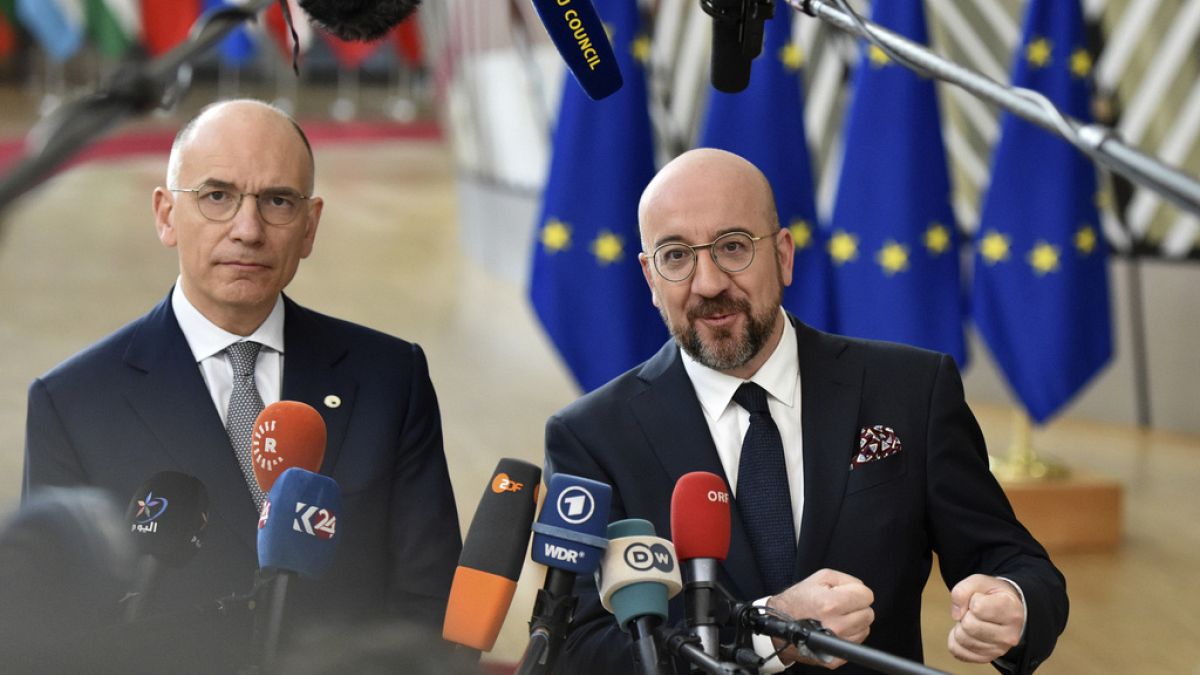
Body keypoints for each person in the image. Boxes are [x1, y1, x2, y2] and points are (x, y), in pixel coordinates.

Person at [544, 148, 1067, 674]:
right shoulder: (592, 437)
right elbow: (579, 652)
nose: (708, 283)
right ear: (650, 278)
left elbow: (1013, 561)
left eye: (732, 247)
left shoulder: (911, 390)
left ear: (784, 255)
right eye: (676, 255)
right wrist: (773, 630)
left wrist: (1013, 602)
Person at [22, 100, 462, 667]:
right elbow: (53, 628)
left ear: (310, 226)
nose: (248, 229)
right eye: (216, 196)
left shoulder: (388, 377)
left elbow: (430, 596)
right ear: (165, 215)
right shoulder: (73, 402)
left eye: (278, 201)